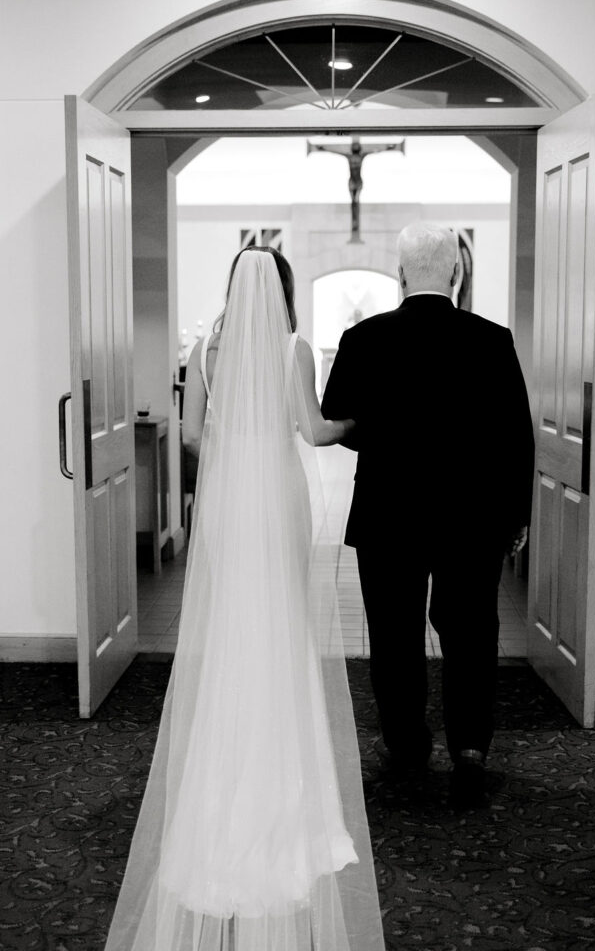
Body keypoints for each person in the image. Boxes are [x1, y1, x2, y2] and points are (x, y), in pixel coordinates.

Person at [104, 247, 386, 951]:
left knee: (229, 619)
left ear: (232, 284)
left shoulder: (205, 348)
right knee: (280, 619)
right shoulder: (292, 347)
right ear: (285, 290)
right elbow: (315, 431)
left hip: (230, 494)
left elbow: (193, 435)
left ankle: (225, 752)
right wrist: (365, 424)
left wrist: (235, 449)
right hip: (275, 490)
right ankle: (280, 753)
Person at [321, 223, 535, 809]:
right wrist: (517, 515)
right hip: (474, 515)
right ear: (457, 273)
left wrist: (387, 440)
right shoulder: (492, 339)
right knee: (471, 632)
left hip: (390, 513)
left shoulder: (363, 338)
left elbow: (338, 419)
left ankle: (406, 747)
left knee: (393, 635)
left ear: (401, 273)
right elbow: (517, 435)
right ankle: (469, 749)